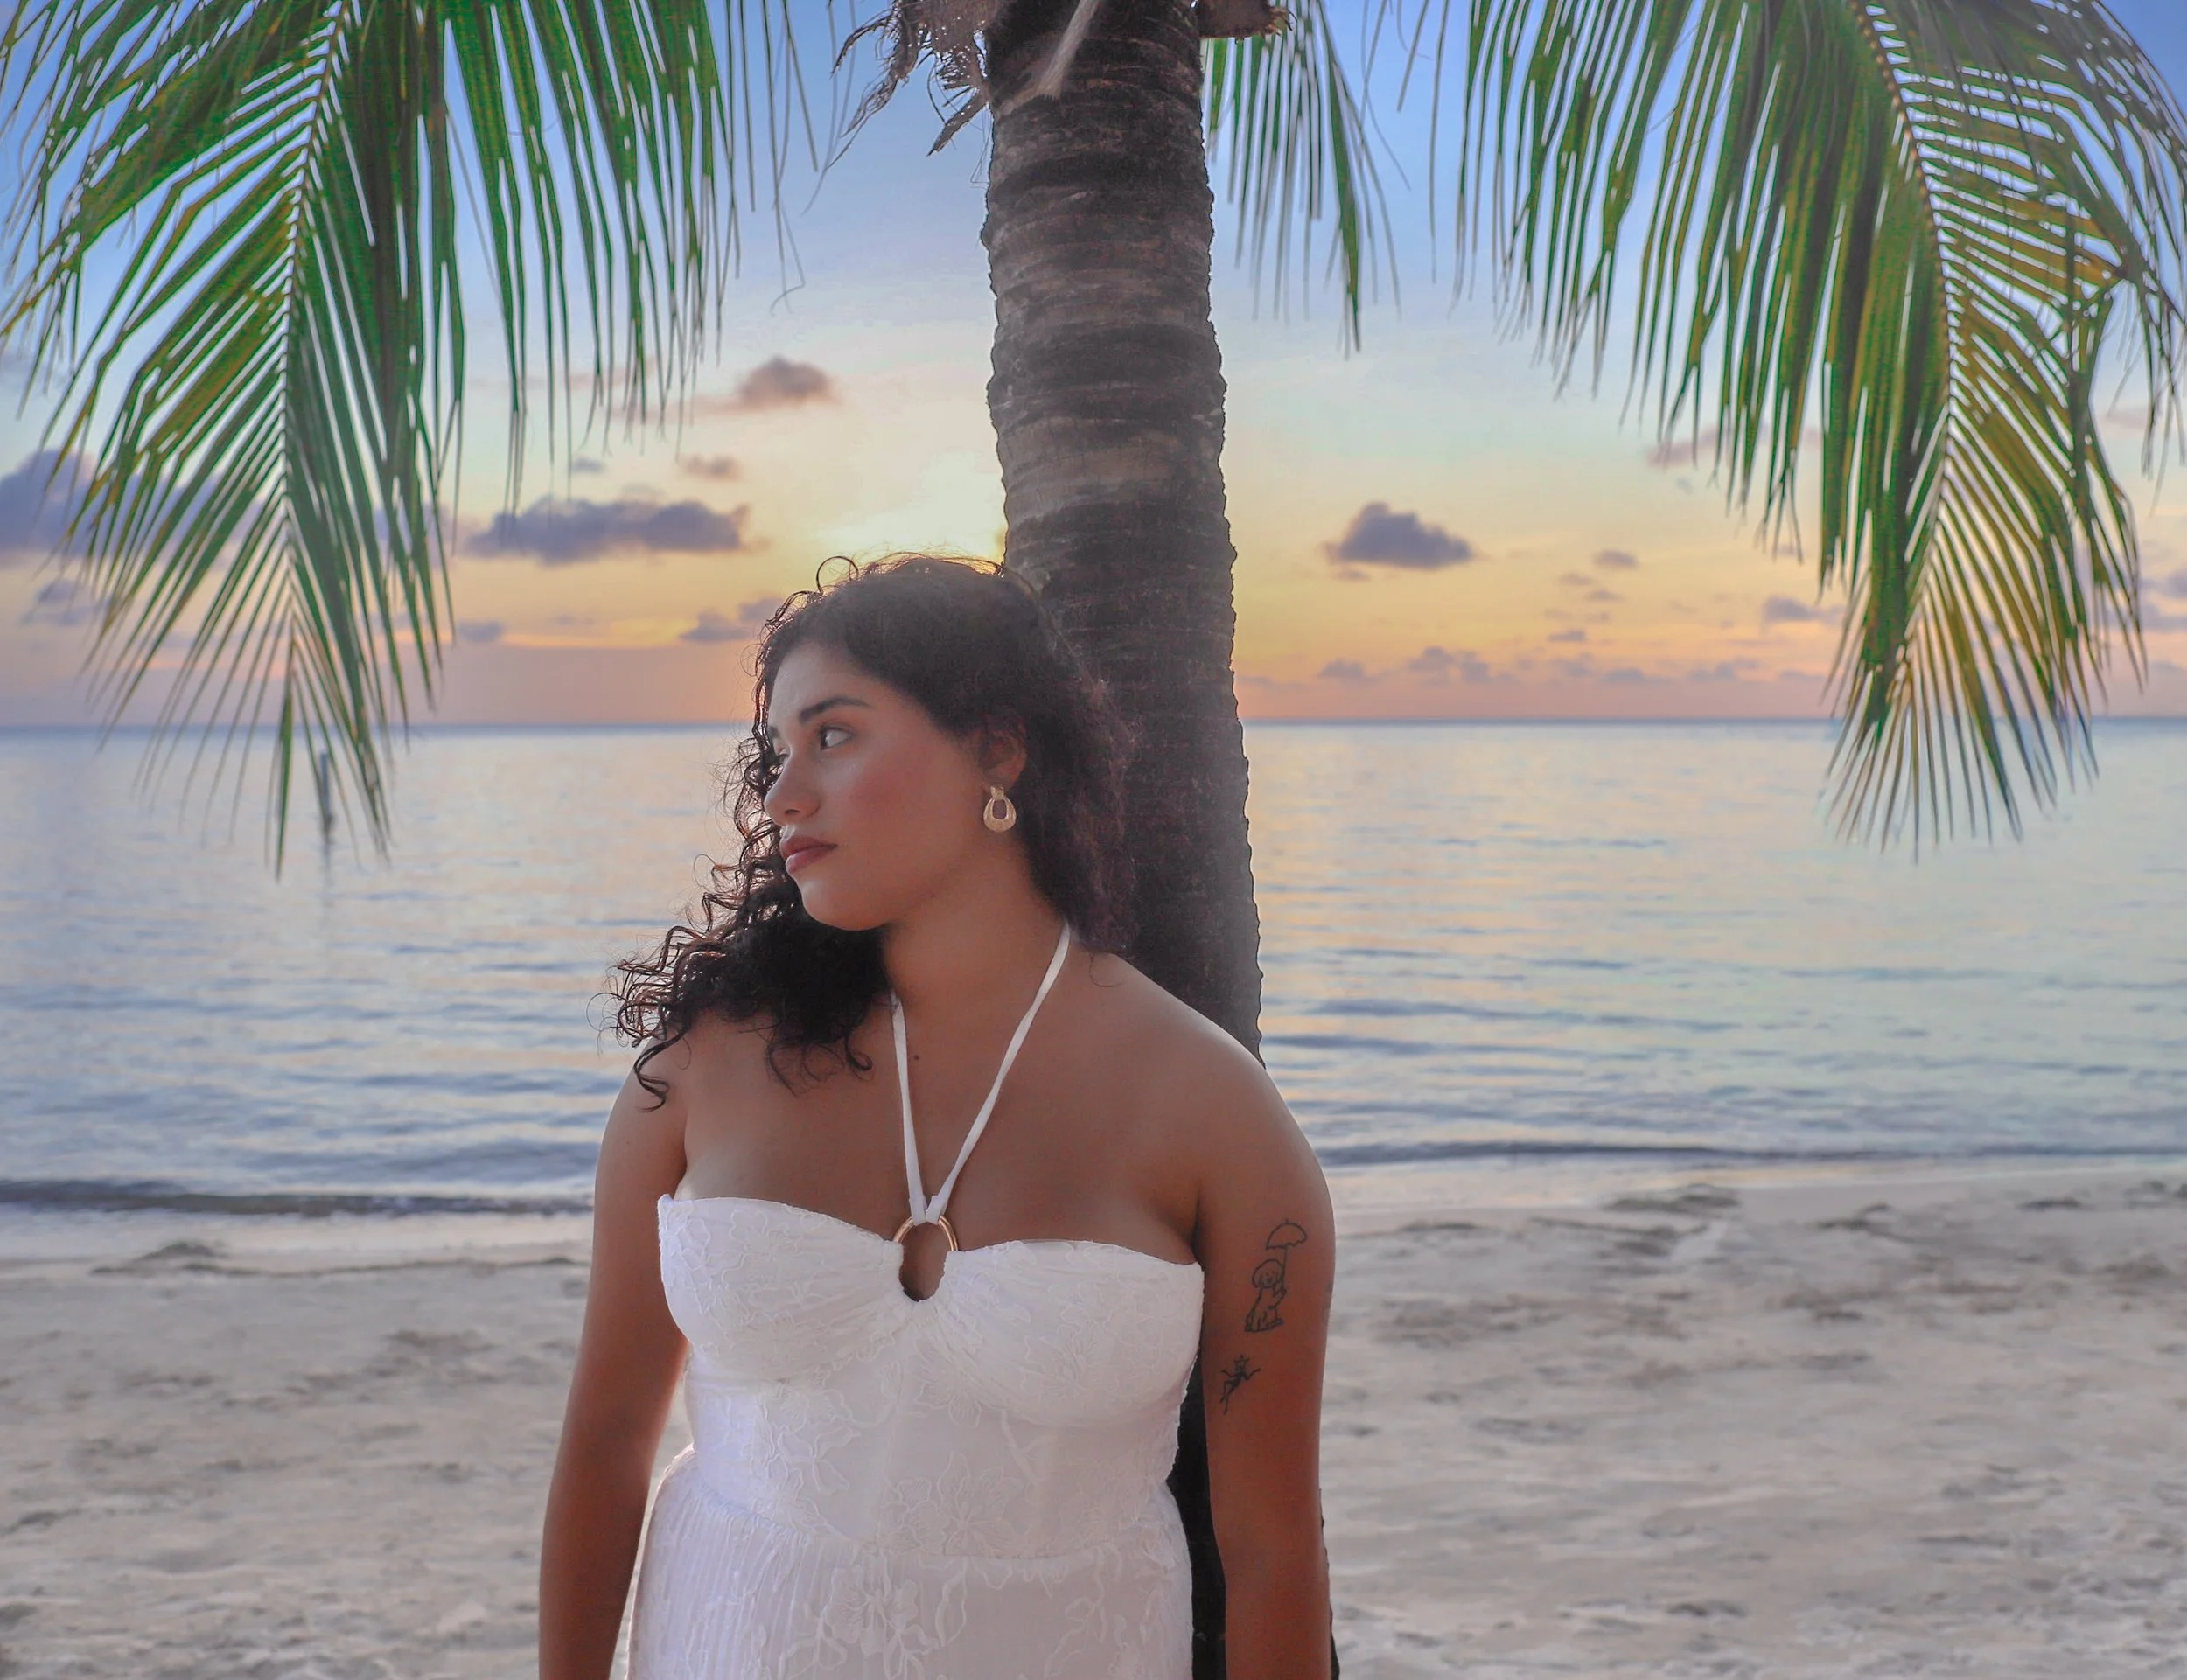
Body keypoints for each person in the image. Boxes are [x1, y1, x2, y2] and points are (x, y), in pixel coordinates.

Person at [539, 554, 1334, 1679]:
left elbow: (1269, 1552)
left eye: (835, 735)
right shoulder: (702, 1073)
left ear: (997, 751)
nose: (782, 796)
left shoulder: (1211, 1114)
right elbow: (608, 1446)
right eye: (777, 753)